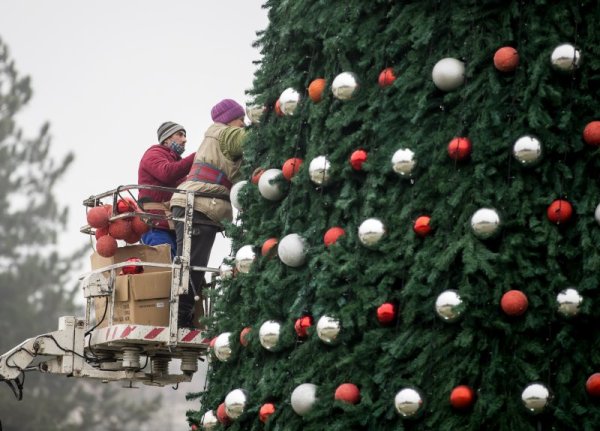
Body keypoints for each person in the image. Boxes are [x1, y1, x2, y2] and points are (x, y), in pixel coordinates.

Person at [170, 99, 247, 328]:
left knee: (190, 262)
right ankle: (182, 318)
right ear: (229, 119)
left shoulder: (215, 136)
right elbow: (250, 140)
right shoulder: (225, 134)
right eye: (241, 119)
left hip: (194, 202)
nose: (244, 124)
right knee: (192, 263)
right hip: (201, 204)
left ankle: (183, 314)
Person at [137, 121, 195, 256]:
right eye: (180, 135)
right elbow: (166, 173)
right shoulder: (153, 153)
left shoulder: (175, 160)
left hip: (171, 227)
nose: (184, 140)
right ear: (167, 139)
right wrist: (197, 157)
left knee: (179, 272)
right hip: (155, 227)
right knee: (165, 268)